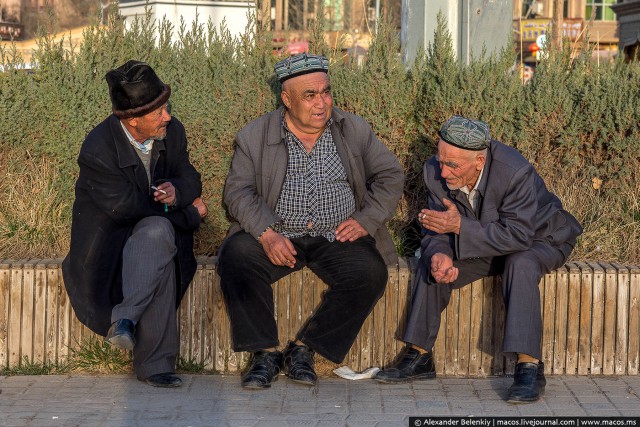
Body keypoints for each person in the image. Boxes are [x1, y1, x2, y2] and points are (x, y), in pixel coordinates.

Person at [218, 53, 404, 389]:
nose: (322, 103)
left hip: (337, 236)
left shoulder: (353, 129)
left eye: (326, 92)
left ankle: (305, 350)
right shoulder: (254, 135)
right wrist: (266, 234)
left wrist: (367, 219)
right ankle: (264, 353)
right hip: (280, 234)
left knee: (370, 273)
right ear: (286, 100)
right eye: (310, 95)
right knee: (236, 256)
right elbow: (238, 193)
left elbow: (390, 174)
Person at [374, 116, 582, 403]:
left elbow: (519, 236)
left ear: (480, 162)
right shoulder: (435, 171)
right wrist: (441, 254)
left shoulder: (514, 171)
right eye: (441, 160)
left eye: (453, 165)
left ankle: (529, 366)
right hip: (484, 241)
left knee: (520, 263)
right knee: (431, 264)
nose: (444, 172)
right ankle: (419, 356)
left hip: (540, 237)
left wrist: (459, 227)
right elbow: (437, 227)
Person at [62, 60, 207, 388]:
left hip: (153, 233)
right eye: (159, 113)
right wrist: (189, 214)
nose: (167, 117)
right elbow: (126, 208)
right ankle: (155, 365)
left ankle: (125, 319)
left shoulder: (173, 131)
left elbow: (189, 177)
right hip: (108, 247)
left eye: (166, 108)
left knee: (156, 236)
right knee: (156, 241)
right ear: (132, 119)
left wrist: (176, 191)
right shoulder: (97, 149)